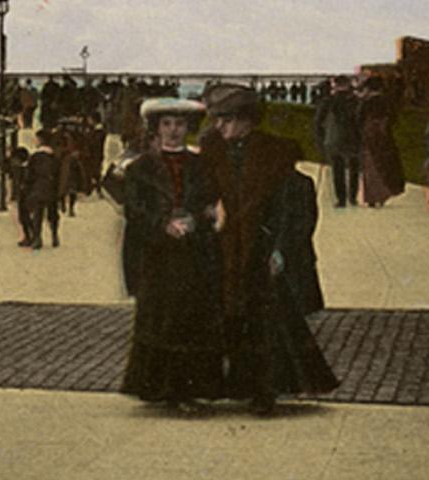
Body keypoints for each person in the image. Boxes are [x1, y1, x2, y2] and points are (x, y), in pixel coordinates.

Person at [195, 84, 338, 415]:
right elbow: (199, 193)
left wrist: (281, 249)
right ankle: (233, 385)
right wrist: (207, 211)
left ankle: (264, 391)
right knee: (227, 320)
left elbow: (293, 207)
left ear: (247, 120)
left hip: (260, 251)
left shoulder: (274, 153)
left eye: (227, 119)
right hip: (224, 250)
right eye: (217, 119)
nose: (220, 126)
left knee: (264, 326)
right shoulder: (212, 151)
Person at [119, 98, 224, 412]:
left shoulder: (200, 165)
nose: (173, 131)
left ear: (188, 128)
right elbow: (133, 209)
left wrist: (194, 218)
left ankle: (188, 389)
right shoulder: (139, 168)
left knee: (191, 318)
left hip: (193, 253)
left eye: (179, 124)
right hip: (157, 254)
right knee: (159, 317)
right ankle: (158, 388)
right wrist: (163, 224)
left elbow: (210, 200)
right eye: (167, 124)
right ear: (157, 128)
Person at [312, 75, 362, 208]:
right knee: (354, 168)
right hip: (354, 139)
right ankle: (352, 197)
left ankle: (341, 199)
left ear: (335, 85)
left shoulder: (328, 101)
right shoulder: (356, 101)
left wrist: (320, 140)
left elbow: (318, 122)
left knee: (338, 169)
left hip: (334, 138)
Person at [357, 76, 404, 207]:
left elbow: (359, 119)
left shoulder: (366, 102)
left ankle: (373, 196)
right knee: (384, 164)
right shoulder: (387, 102)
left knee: (371, 165)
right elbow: (393, 118)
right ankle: (384, 193)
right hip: (384, 137)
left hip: (369, 137)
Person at [19, 129, 59, 249]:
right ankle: (54, 235)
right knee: (52, 212)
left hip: (37, 188)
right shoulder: (54, 157)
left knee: (35, 211)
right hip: (52, 188)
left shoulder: (35, 157)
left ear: (40, 141)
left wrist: (24, 187)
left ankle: (36, 237)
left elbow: (30, 176)